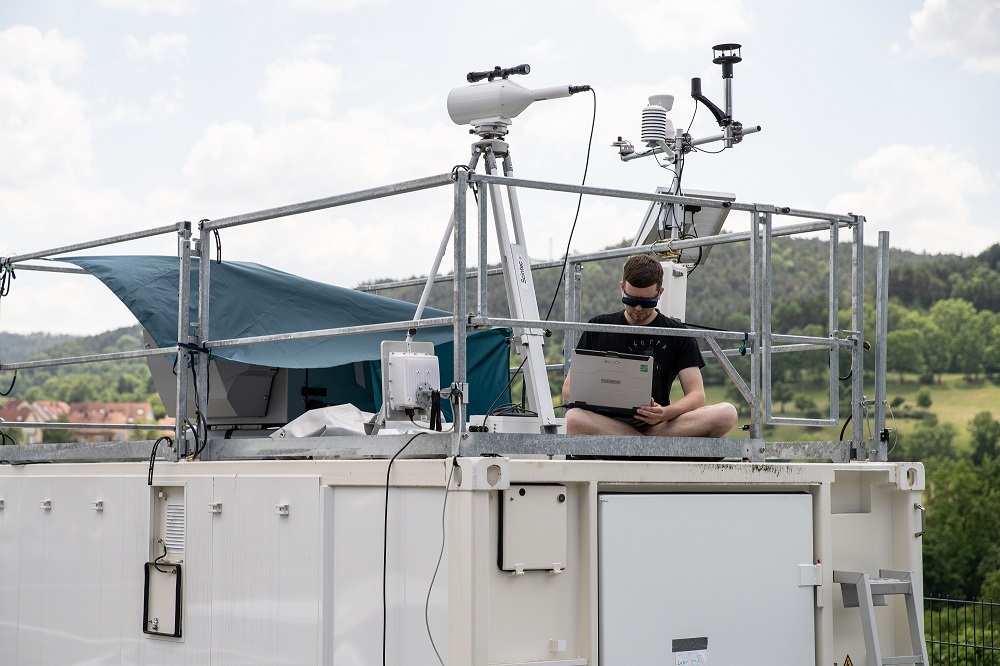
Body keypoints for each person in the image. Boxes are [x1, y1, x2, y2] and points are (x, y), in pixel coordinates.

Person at [562, 254, 738, 437]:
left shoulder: (677, 333)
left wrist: (664, 413)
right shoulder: (598, 327)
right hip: (607, 422)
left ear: (660, 293)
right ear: (622, 288)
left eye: (647, 302)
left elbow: (697, 396)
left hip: (658, 424)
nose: (638, 308)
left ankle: (636, 443)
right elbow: (568, 389)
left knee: (726, 413)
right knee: (573, 418)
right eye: (630, 300)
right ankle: (647, 444)